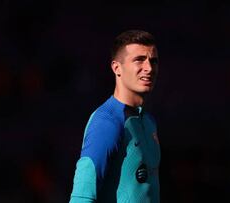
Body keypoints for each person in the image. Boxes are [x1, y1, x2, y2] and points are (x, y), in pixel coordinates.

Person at [69, 30, 161, 203]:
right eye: (139, 59)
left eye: (153, 60)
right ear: (116, 68)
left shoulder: (148, 121)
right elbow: (81, 197)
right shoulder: (107, 122)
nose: (149, 68)